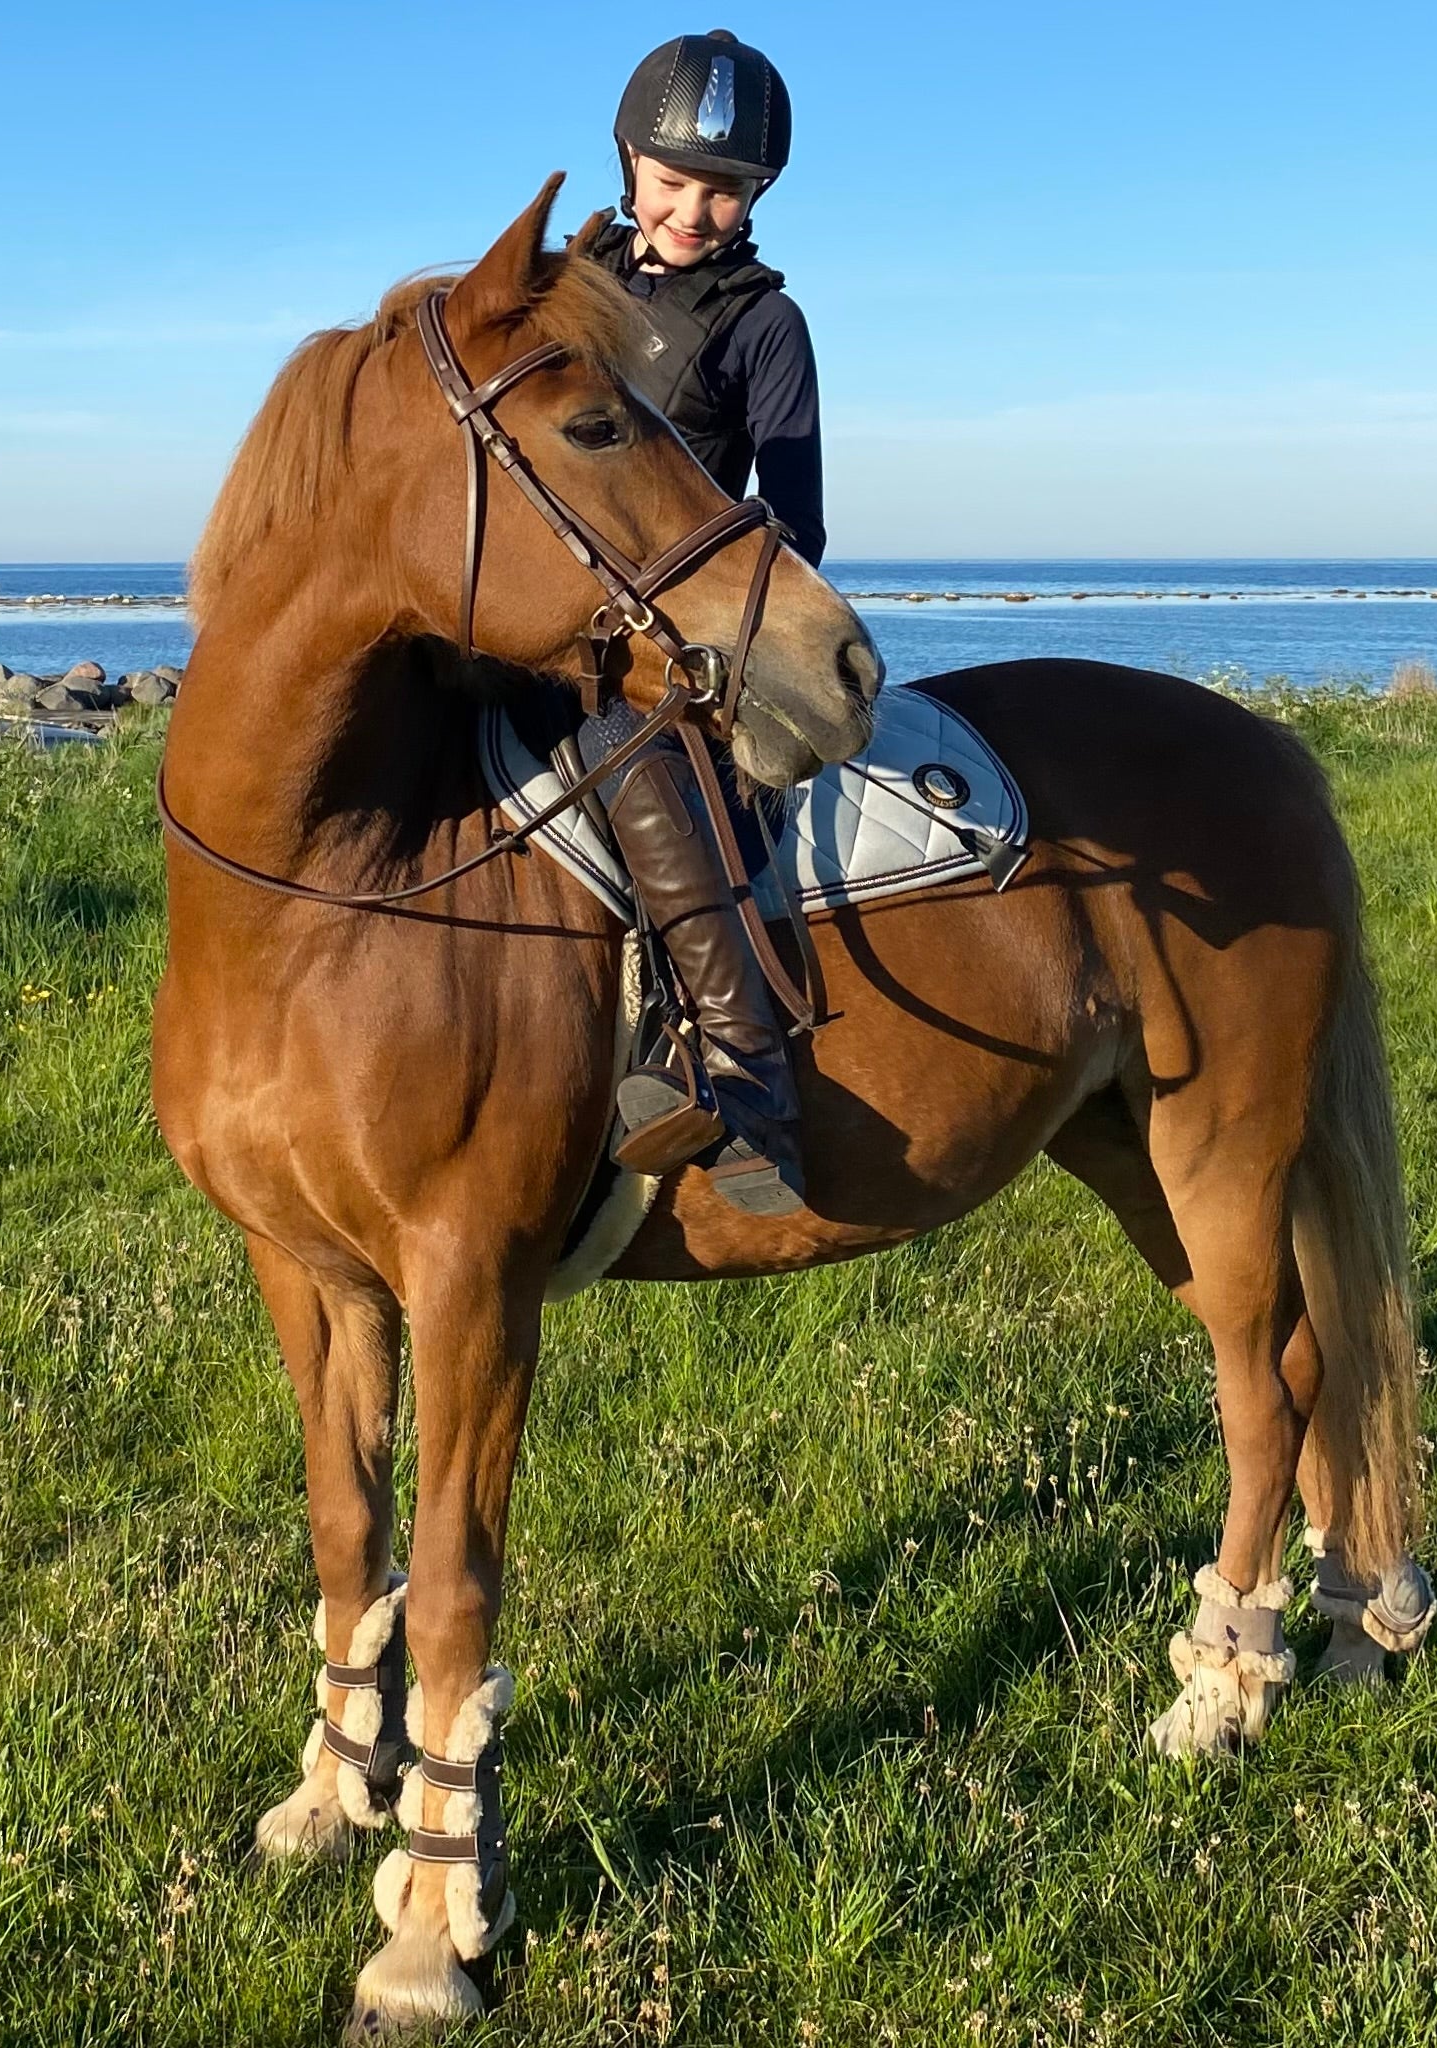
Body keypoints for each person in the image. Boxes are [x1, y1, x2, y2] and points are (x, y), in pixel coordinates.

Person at [573, 29, 820, 1219]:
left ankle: (738, 1074)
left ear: (755, 196)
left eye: (724, 190)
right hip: (535, 611)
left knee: (619, 759)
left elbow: (795, 520)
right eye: (672, 181)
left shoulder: (764, 325)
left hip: (668, 645)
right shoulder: (565, 282)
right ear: (629, 161)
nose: (691, 211)